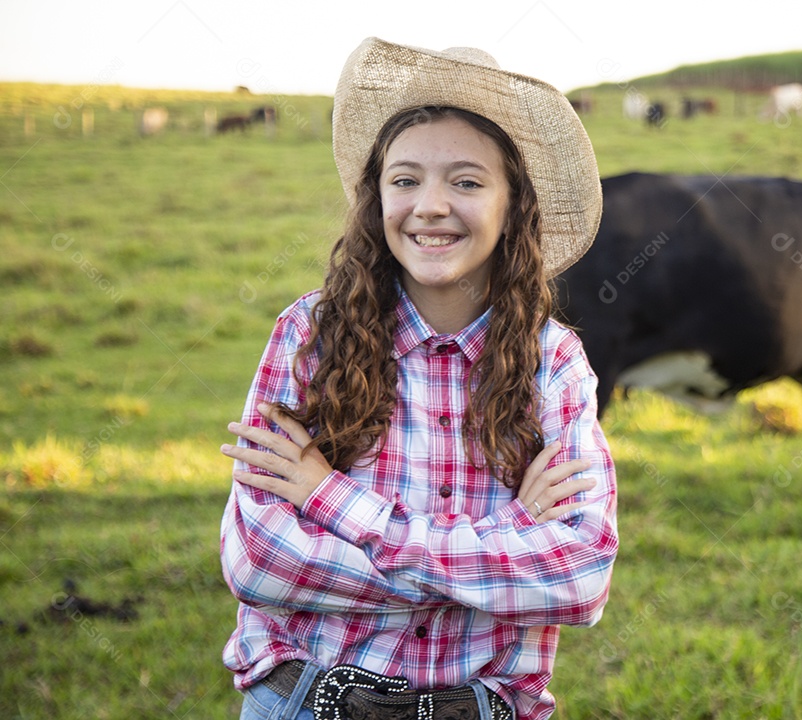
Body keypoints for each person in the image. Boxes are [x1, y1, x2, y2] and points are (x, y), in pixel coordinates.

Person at [218, 37, 618, 720]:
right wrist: (510, 535)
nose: (429, 205)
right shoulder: (308, 335)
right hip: (310, 703)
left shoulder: (553, 362)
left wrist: (331, 500)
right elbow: (258, 562)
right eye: (405, 180)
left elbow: (579, 580)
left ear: (513, 203)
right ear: (377, 197)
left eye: (465, 181)